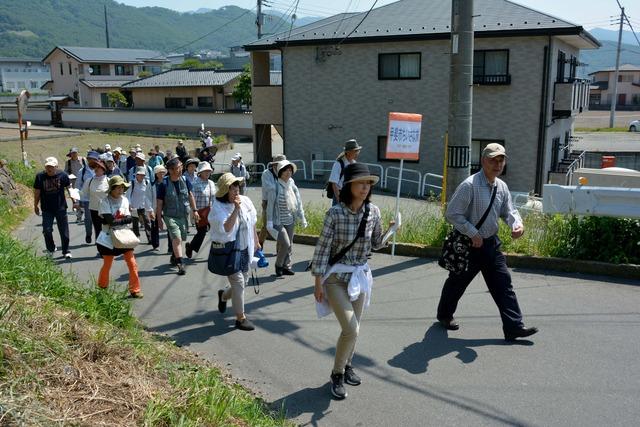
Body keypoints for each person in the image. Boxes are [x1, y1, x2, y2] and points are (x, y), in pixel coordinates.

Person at [436, 143, 538, 342]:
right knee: (457, 283)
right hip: (468, 246)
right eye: (493, 160)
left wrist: (517, 225)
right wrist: (472, 233)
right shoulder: (469, 185)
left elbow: (509, 211)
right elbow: (452, 214)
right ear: (483, 161)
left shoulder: (502, 186)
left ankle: (513, 327)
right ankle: (445, 315)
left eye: (501, 160)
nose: (497, 164)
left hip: (491, 245)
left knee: (503, 285)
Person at [311, 163, 395, 400]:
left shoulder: (373, 212)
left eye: (368, 183)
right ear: (349, 185)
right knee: (351, 328)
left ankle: (348, 366)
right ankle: (337, 374)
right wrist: (318, 283)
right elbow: (322, 250)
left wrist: (390, 231)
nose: (365, 187)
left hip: (360, 276)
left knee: (353, 330)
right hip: (336, 278)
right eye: (361, 182)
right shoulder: (335, 214)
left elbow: (376, 244)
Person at [209, 173, 260, 331]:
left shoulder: (245, 201)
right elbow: (226, 228)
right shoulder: (218, 207)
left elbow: (252, 222)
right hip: (230, 250)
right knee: (238, 282)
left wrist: (256, 241)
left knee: (243, 283)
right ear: (225, 191)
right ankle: (240, 318)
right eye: (232, 188)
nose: (236, 190)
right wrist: (236, 209)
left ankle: (224, 295)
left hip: (245, 247)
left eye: (237, 186)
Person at [97, 175, 143, 298]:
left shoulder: (125, 200)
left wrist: (118, 220)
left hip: (123, 236)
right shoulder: (104, 201)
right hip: (108, 237)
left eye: (122, 187)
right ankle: (102, 287)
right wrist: (123, 220)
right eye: (117, 187)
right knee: (107, 264)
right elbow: (112, 221)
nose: (120, 190)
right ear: (111, 188)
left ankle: (135, 289)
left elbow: (127, 218)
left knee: (132, 263)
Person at [156, 158, 200, 275]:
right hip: (170, 216)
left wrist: (195, 210)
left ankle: (174, 256)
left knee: (181, 238)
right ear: (170, 170)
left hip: (183, 215)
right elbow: (159, 203)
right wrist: (159, 219)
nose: (181, 169)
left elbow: (190, 196)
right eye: (177, 167)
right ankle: (181, 264)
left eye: (181, 166)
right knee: (177, 238)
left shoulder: (185, 180)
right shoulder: (163, 184)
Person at [266, 160, 307, 277]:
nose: (288, 172)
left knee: (290, 245)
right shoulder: (275, 187)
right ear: (280, 172)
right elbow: (270, 206)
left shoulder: (292, 185)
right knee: (285, 243)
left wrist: (302, 217)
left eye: (290, 170)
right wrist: (269, 222)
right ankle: (278, 265)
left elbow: (298, 203)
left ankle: (286, 266)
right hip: (277, 221)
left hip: (290, 219)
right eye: (286, 170)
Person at [33, 157, 72, 259]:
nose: (49, 169)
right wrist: (35, 205)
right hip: (46, 209)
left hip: (61, 208)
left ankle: (66, 251)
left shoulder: (63, 175)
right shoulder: (40, 177)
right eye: (47, 167)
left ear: (56, 166)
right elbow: (37, 192)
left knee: (64, 232)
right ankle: (51, 248)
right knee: (47, 230)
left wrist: (75, 202)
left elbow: (69, 189)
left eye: (51, 167)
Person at [185, 162, 216, 259]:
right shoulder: (195, 183)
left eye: (209, 171)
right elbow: (191, 198)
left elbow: (214, 198)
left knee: (216, 232)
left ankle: (216, 253)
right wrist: (194, 211)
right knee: (201, 233)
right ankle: (190, 247)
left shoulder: (211, 183)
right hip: (200, 212)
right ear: (200, 172)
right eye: (205, 171)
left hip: (211, 212)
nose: (207, 173)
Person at [259, 154, 286, 247]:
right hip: (268, 203)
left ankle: (279, 249)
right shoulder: (266, 173)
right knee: (266, 226)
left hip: (281, 202)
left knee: (280, 226)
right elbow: (270, 188)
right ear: (275, 165)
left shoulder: (284, 173)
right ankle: (259, 245)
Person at [81, 159, 109, 244]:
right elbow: (83, 193)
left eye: (99, 167)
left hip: (106, 210)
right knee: (98, 229)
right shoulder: (89, 181)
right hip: (94, 209)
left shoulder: (109, 180)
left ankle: (107, 248)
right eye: (95, 167)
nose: (96, 169)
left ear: (103, 169)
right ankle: (101, 249)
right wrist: (74, 193)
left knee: (107, 229)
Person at [125, 166, 155, 244]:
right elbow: (128, 195)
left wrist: (150, 208)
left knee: (147, 222)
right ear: (136, 175)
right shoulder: (131, 183)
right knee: (135, 224)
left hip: (144, 206)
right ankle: (136, 237)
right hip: (134, 206)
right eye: (140, 175)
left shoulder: (147, 183)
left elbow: (147, 196)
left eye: (143, 175)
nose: (142, 176)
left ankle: (150, 238)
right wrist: (129, 205)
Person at [328, 139, 361, 205]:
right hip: (340, 194)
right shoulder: (338, 163)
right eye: (355, 151)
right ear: (348, 152)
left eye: (357, 150)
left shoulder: (354, 163)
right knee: (337, 215)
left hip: (351, 195)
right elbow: (334, 184)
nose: (357, 153)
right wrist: (339, 200)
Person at [75, 151, 98, 238]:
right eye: (89, 159)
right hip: (87, 199)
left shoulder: (100, 170)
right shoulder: (82, 171)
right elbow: (78, 186)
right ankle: (88, 233)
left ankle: (98, 238)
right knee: (88, 219)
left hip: (98, 199)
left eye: (93, 159)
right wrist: (77, 201)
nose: (91, 161)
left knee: (98, 220)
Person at [65, 147, 86, 222]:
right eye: (72, 153)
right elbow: (66, 171)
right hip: (73, 183)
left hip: (83, 182)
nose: (73, 154)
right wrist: (69, 175)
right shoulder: (68, 162)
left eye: (75, 153)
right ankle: (79, 216)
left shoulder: (83, 160)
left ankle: (86, 214)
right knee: (77, 200)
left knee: (84, 199)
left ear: (77, 153)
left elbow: (87, 169)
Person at [149, 165, 167, 250]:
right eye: (160, 172)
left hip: (167, 207)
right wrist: (150, 209)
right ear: (156, 174)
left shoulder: (167, 182)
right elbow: (147, 197)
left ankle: (171, 246)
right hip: (155, 207)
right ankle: (155, 244)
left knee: (169, 226)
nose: (162, 174)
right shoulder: (151, 184)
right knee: (154, 226)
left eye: (163, 172)